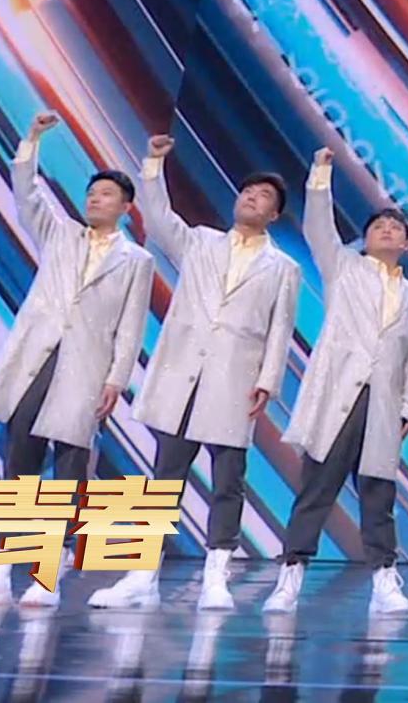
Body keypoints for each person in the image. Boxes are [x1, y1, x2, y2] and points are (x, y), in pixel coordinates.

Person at [0, 113, 156, 609]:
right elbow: (26, 193)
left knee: (68, 474)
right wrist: (33, 138)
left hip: (86, 371)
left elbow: (131, 326)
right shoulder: (61, 234)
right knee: (18, 467)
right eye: (92, 193)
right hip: (37, 361)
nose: (95, 199)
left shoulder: (136, 261)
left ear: (125, 207)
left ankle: (48, 575)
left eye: (106, 194)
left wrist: (116, 379)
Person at [90, 135, 300, 611]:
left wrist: (268, 380)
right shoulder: (201, 241)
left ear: (273, 215)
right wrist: (153, 164)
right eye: (248, 191)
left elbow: (280, 328)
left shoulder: (282, 268)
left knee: (228, 480)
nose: (252, 198)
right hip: (184, 375)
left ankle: (216, 577)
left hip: (234, 382)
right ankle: (141, 575)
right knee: (164, 477)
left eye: (263, 196)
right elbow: (160, 218)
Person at [262, 148, 408, 616]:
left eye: (396, 227)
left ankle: (385, 581)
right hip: (340, 395)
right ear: (365, 239)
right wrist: (320, 173)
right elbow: (319, 227)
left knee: (378, 495)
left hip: (383, 404)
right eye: (379, 226)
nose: (388, 230)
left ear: (406, 244)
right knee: (317, 489)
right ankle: (290, 577)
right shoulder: (344, 269)